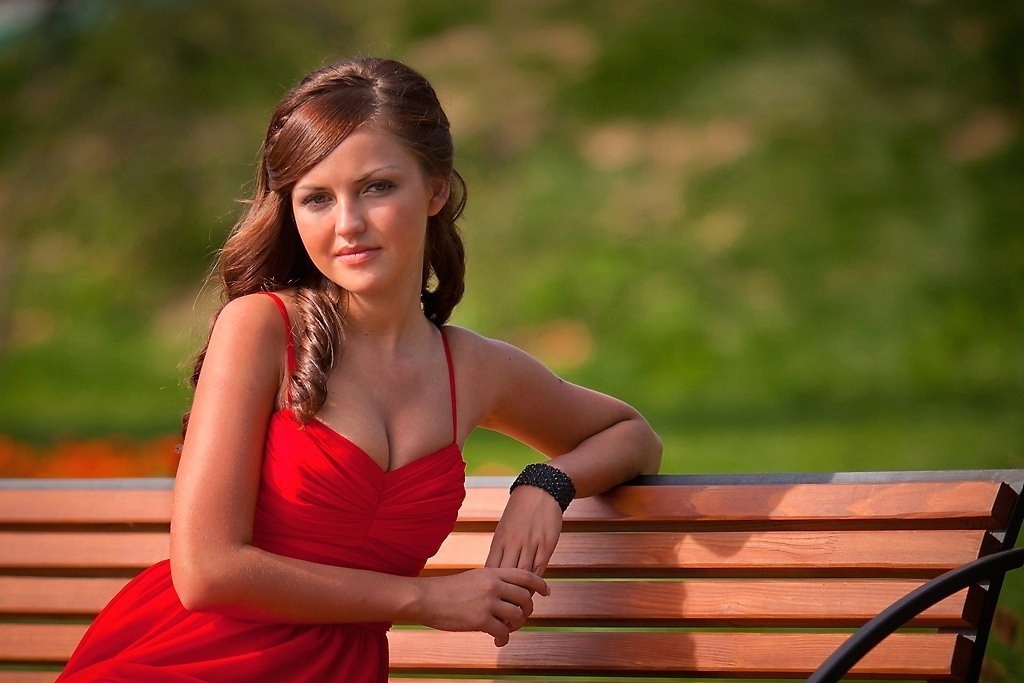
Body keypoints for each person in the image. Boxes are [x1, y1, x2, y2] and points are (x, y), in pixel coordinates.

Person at [57, 56, 662, 682]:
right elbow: (208, 572)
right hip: (189, 663)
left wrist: (545, 485)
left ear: (435, 190)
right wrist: (425, 599)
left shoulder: (471, 369)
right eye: (316, 198)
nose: (347, 225)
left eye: (376, 187)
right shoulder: (262, 328)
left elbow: (632, 436)